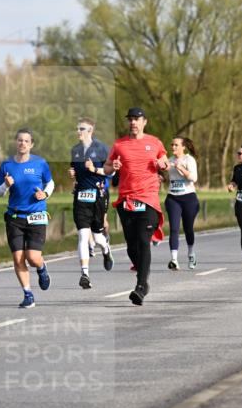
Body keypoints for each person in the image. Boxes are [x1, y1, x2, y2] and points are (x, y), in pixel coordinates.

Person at [104, 107, 168, 305]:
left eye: (137, 119)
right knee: (131, 246)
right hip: (126, 200)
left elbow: (165, 161)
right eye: (130, 119)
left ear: (144, 122)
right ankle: (142, 274)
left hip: (148, 199)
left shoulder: (155, 142)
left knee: (143, 240)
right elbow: (107, 167)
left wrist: (162, 164)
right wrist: (112, 168)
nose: (133, 122)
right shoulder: (119, 144)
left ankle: (141, 286)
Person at [0, 128, 54, 308]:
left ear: (31, 144)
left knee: (33, 257)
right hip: (15, 217)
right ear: (16, 142)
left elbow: (50, 183)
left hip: (36, 215)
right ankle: (28, 294)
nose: (22, 143)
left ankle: (41, 268)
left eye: (26, 141)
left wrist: (45, 194)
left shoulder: (40, 163)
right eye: (20, 140)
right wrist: (5, 186)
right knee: (18, 258)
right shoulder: (7, 165)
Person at [68, 117, 114, 288]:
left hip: (98, 196)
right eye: (77, 128)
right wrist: (73, 173)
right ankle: (85, 274)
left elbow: (111, 172)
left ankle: (106, 249)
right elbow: (75, 169)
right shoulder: (75, 150)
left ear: (90, 131)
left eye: (82, 129)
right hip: (81, 197)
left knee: (98, 237)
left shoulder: (102, 149)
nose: (78, 131)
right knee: (82, 235)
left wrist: (95, 169)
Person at [164, 137, 200, 270]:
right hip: (173, 198)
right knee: (174, 228)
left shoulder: (189, 160)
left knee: (188, 228)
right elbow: (168, 177)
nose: (173, 147)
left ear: (183, 147)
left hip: (188, 198)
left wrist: (181, 168)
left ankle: (191, 253)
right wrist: (161, 176)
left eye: (176, 145)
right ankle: (174, 259)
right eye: (172, 145)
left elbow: (193, 178)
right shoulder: (169, 160)